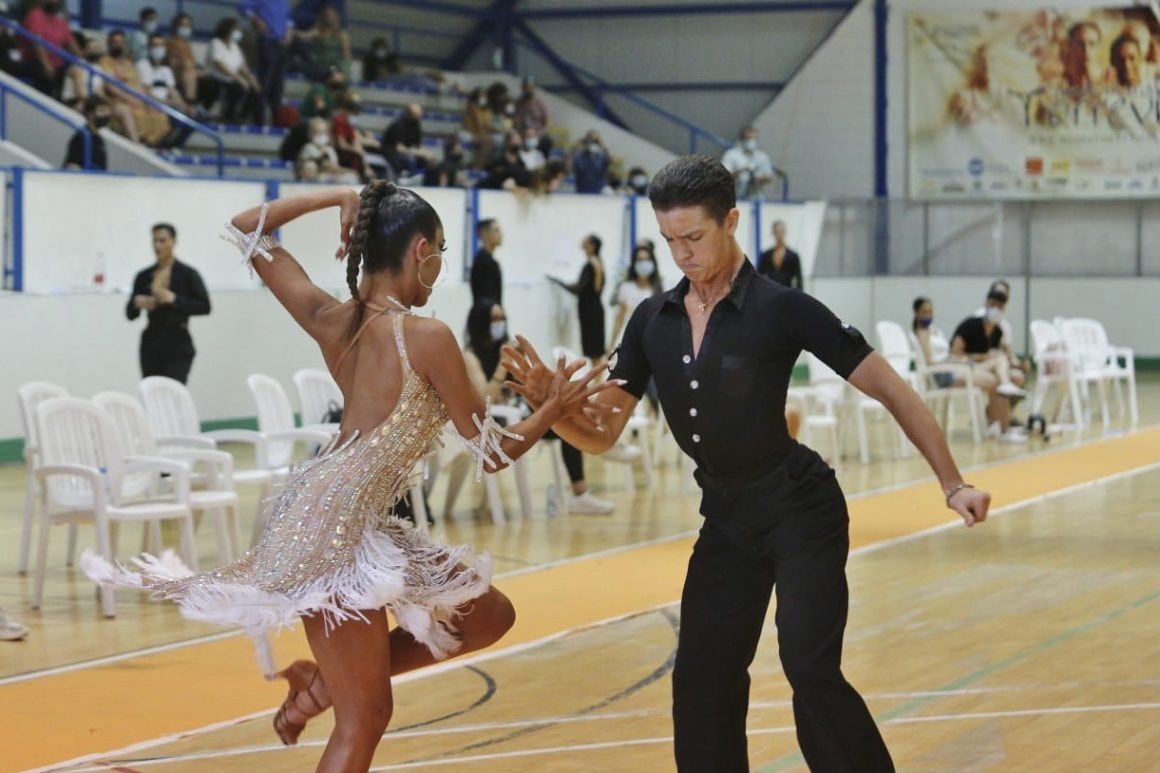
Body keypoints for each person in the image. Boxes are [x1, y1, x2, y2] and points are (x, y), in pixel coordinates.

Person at [86, 183, 617, 770]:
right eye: (439, 250)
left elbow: (247, 228)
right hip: (334, 526)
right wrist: (554, 408)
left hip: (339, 512)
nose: (439, 266)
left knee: (488, 615)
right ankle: (328, 690)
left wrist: (339, 197)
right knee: (365, 717)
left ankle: (322, 685)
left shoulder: (333, 318)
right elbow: (490, 453)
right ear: (420, 250)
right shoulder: (427, 336)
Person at [503, 155, 991, 772]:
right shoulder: (653, 319)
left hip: (800, 509)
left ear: (731, 221)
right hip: (727, 519)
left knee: (809, 666)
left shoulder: (783, 308)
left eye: (694, 237)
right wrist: (554, 407)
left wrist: (953, 483)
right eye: (669, 240)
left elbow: (893, 390)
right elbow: (600, 436)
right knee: (702, 676)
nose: (681, 254)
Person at [125, 223, 211, 383]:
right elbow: (130, 313)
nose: (158, 246)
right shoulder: (143, 275)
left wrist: (174, 299)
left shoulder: (187, 274)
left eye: (162, 241)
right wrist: (136, 303)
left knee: (173, 391)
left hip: (178, 341)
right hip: (151, 342)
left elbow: (205, 306)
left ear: (173, 242)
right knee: (152, 391)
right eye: (155, 241)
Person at [100, 29, 171, 146]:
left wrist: (145, 100)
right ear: (109, 43)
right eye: (115, 42)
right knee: (136, 113)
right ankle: (137, 146)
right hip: (118, 100)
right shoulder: (105, 61)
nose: (119, 45)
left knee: (159, 115)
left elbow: (138, 85)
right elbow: (110, 87)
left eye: (121, 42)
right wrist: (130, 99)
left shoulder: (129, 63)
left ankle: (148, 144)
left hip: (136, 99)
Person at [549, 234, 607, 362]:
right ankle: (598, 380)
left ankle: (598, 380)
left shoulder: (591, 265)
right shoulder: (599, 263)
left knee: (594, 351)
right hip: (594, 309)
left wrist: (560, 283)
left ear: (592, 246)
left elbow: (579, 288)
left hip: (590, 311)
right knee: (595, 351)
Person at [137, 33, 194, 148]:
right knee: (176, 117)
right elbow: (146, 92)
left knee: (193, 117)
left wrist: (184, 105)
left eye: (161, 45)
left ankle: (174, 146)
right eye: (155, 45)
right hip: (151, 103)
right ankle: (161, 146)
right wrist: (168, 103)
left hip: (167, 104)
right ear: (149, 48)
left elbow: (173, 91)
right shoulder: (142, 65)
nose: (158, 49)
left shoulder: (166, 69)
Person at [239, 0, 290, 125]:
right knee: (264, 83)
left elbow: (287, 18)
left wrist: (289, 31)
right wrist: (255, 19)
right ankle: (259, 120)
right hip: (267, 39)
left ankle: (276, 121)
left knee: (277, 85)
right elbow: (242, 6)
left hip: (281, 42)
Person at [21, 0, 81, 98]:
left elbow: (70, 42)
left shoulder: (59, 20)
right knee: (45, 75)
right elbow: (37, 42)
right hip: (35, 60)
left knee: (74, 72)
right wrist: (46, 64)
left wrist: (84, 60)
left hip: (57, 63)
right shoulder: (35, 15)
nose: (55, 2)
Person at [208, 17, 262, 124]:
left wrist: (251, 78)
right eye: (236, 29)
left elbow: (242, 66)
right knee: (238, 87)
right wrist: (237, 78)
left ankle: (243, 116)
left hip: (232, 78)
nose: (238, 32)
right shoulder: (216, 43)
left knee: (255, 89)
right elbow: (218, 64)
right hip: (219, 77)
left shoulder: (235, 46)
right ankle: (228, 116)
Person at [608, 245, 662, 352]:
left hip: (653, 343)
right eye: (640, 260)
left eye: (647, 260)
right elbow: (619, 318)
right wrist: (610, 344)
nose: (643, 263)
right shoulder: (626, 288)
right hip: (630, 340)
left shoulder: (659, 289)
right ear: (634, 263)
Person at [296, 4, 351, 81]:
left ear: (336, 17)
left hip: (334, 67)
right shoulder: (319, 32)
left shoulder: (341, 34)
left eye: (331, 15)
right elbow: (304, 36)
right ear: (323, 17)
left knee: (334, 74)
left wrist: (346, 72)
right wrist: (294, 32)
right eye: (327, 15)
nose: (329, 18)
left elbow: (346, 55)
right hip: (320, 67)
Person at [382, 103, 435, 178]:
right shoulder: (398, 125)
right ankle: (407, 178)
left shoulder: (416, 125)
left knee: (429, 159)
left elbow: (418, 146)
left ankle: (426, 180)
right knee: (410, 159)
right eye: (416, 114)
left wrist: (427, 154)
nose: (419, 117)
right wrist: (418, 153)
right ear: (409, 114)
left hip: (407, 151)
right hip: (392, 153)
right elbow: (399, 149)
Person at [721, 126, 774, 200]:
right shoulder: (731, 155)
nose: (751, 142)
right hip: (735, 197)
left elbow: (769, 176)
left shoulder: (762, 156)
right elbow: (724, 176)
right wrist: (743, 170)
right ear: (741, 140)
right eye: (748, 139)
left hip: (756, 197)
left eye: (754, 139)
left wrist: (756, 179)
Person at [63, 95, 110, 170]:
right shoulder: (80, 137)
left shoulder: (99, 140)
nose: (106, 115)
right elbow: (72, 166)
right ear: (90, 114)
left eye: (107, 111)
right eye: (102, 111)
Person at [755, 220, 803, 289]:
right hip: (771, 291)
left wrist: (799, 297)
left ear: (785, 232)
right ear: (773, 233)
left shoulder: (793, 256)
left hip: (787, 292)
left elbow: (799, 279)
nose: (780, 235)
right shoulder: (765, 255)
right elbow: (759, 276)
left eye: (782, 231)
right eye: (777, 232)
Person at [471, 219, 503, 306]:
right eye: (496, 230)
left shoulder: (492, 262)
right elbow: (482, 296)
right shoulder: (481, 262)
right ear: (484, 234)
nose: (501, 234)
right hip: (483, 316)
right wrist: (492, 308)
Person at [513, 76, 551, 151]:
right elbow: (515, 122)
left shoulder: (540, 103)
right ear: (522, 88)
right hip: (522, 132)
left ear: (534, 88)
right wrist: (522, 132)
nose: (528, 90)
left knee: (547, 140)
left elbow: (547, 124)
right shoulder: (518, 104)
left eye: (530, 87)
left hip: (537, 132)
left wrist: (538, 134)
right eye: (526, 87)